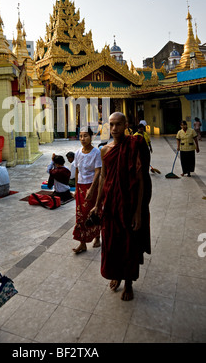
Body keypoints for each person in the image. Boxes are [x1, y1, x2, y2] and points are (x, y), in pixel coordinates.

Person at [91, 112, 151, 301]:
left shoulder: (134, 145)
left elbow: (141, 181)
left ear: (126, 125)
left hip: (129, 204)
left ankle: (129, 283)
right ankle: (115, 273)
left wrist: (139, 213)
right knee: (111, 242)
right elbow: (103, 177)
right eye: (111, 124)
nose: (115, 129)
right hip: (110, 205)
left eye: (118, 124)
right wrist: (97, 203)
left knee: (128, 244)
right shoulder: (105, 150)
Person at [72, 126, 102, 254]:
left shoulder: (96, 153)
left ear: (91, 137)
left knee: (92, 213)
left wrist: (91, 189)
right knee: (80, 215)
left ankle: (97, 237)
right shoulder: (78, 153)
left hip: (92, 187)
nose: (82, 138)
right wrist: (76, 188)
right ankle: (82, 243)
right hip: (80, 187)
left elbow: (98, 171)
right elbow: (77, 170)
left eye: (85, 136)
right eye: (80, 136)